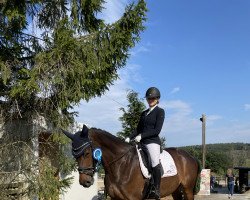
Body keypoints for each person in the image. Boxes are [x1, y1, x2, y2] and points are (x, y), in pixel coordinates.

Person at [125, 87, 165, 200]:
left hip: (152, 142)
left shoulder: (160, 111)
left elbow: (157, 130)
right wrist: (129, 137)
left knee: (154, 162)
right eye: (149, 98)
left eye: (153, 98)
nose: (150, 100)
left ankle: (156, 189)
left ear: (157, 99)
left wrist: (142, 136)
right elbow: (138, 129)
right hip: (141, 142)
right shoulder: (144, 113)